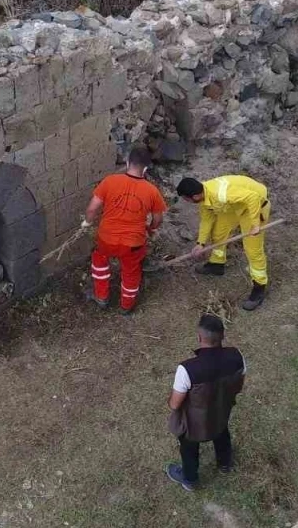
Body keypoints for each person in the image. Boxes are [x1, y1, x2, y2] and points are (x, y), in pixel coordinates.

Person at [165, 313, 245, 491]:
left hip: (194, 424)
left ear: (199, 337)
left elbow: (175, 405)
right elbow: (238, 386)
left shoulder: (186, 369)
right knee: (222, 433)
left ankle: (190, 479)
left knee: (189, 448)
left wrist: (169, 401)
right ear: (222, 336)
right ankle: (225, 464)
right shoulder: (237, 356)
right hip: (221, 413)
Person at [85, 148, 167, 315]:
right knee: (131, 271)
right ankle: (126, 306)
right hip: (133, 244)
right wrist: (151, 229)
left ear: (128, 162)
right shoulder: (152, 191)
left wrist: (87, 222)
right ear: (145, 169)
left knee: (99, 259)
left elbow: (92, 209)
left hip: (106, 239)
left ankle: (101, 296)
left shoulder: (109, 181)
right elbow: (158, 219)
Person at [175, 175, 270, 311]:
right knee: (218, 233)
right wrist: (200, 243)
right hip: (235, 206)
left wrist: (255, 224)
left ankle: (259, 287)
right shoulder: (204, 198)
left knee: (252, 249)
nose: (186, 201)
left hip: (256, 204)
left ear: (195, 196)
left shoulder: (220, 193)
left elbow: (253, 198)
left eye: (186, 199)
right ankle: (216, 264)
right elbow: (207, 221)